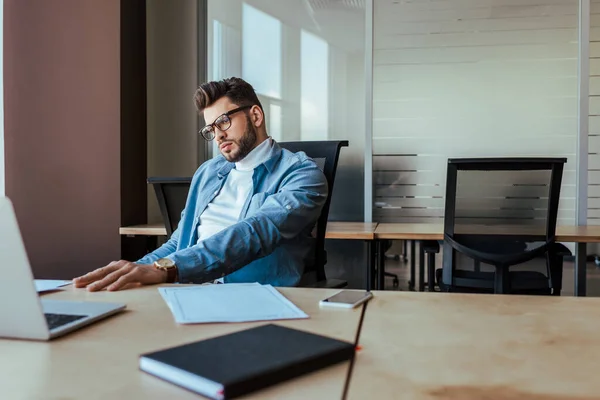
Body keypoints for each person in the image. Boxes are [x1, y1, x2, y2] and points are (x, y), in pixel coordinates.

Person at [73, 77, 328, 291]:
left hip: (252, 299)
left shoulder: (302, 174)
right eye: (210, 129)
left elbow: (254, 233)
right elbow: (179, 241)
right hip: (187, 289)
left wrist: (168, 270)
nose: (218, 135)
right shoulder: (207, 172)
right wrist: (134, 271)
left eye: (224, 121)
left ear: (256, 115)